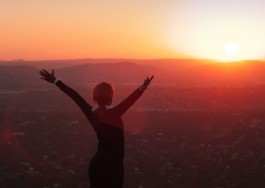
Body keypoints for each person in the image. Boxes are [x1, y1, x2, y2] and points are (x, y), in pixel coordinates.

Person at [39, 69, 154, 188]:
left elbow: (75, 97)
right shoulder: (115, 113)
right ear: (111, 95)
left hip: (97, 165)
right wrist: (143, 87)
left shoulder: (92, 113)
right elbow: (130, 100)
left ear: (95, 97)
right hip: (113, 167)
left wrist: (56, 81)